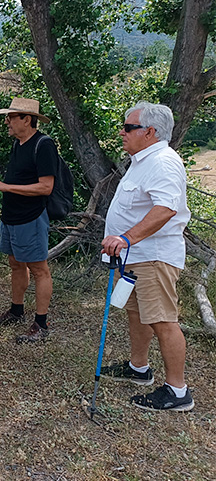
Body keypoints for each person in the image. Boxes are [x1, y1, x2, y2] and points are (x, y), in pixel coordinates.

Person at [100, 102, 193, 411]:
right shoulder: (142, 160)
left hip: (153, 256)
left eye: (128, 128)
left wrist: (126, 238)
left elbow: (165, 209)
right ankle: (139, 368)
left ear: (150, 132)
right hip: (135, 257)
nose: (122, 132)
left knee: (163, 320)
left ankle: (177, 392)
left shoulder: (163, 161)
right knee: (137, 313)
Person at [0, 97, 59, 343]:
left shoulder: (44, 145)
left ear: (27, 120)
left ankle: (41, 323)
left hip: (31, 217)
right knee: (16, 263)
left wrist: (5, 187)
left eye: (11, 117)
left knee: (39, 269)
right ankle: (16, 310)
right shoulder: (18, 144)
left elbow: (46, 187)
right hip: (12, 216)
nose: (7, 121)